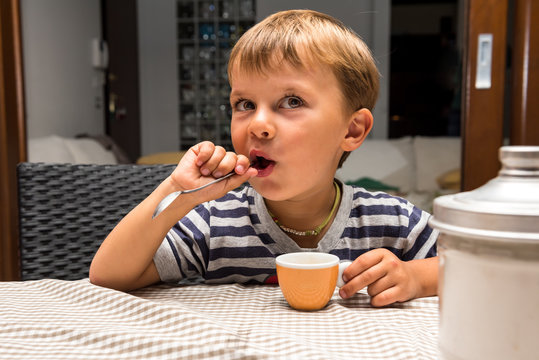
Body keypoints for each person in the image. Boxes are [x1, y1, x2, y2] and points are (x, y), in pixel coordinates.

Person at [90, 9, 438, 307]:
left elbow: (476, 267)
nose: (258, 125)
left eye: (292, 102)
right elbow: (109, 275)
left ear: (352, 131)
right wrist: (176, 192)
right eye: (245, 104)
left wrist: (415, 277)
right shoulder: (215, 224)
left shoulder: (393, 220)